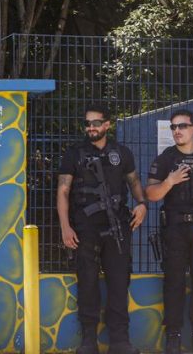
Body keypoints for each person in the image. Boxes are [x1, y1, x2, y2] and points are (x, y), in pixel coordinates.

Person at [57, 104, 147, 354]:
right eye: (87, 123)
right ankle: (88, 340)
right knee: (87, 282)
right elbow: (63, 191)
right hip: (85, 227)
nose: (91, 128)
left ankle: (120, 341)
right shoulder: (75, 153)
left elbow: (134, 182)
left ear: (108, 124)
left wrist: (142, 205)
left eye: (96, 123)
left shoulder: (122, 152)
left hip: (117, 225)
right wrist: (65, 227)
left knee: (119, 282)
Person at [146, 109, 193, 353]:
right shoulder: (166, 159)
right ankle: (173, 337)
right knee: (174, 283)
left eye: (182, 126)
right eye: (174, 127)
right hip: (175, 229)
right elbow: (151, 194)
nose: (177, 131)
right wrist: (170, 181)